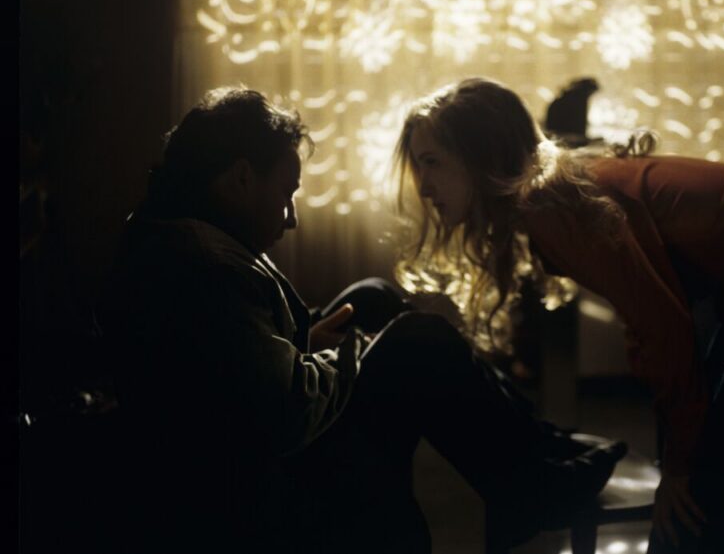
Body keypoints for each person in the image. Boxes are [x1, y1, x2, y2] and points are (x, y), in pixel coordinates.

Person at [97, 86, 626, 554]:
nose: (291, 217)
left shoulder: (182, 237)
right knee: (418, 340)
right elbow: (284, 413)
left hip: (245, 433)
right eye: (286, 194)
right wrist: (354, 352)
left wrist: (311, 341)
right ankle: (530, 485)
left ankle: (538, 450)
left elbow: (236, 357)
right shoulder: (203, 268)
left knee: (372, 296)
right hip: (247, 478)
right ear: (239, 179)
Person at [393, 78, 724, 554]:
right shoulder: (548, 200)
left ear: (480, 155)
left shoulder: (549, 207)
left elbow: (663, 327)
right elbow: (659, 323)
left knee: (722, 481)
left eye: (433, 162)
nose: (424, 185)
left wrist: (679, 471)